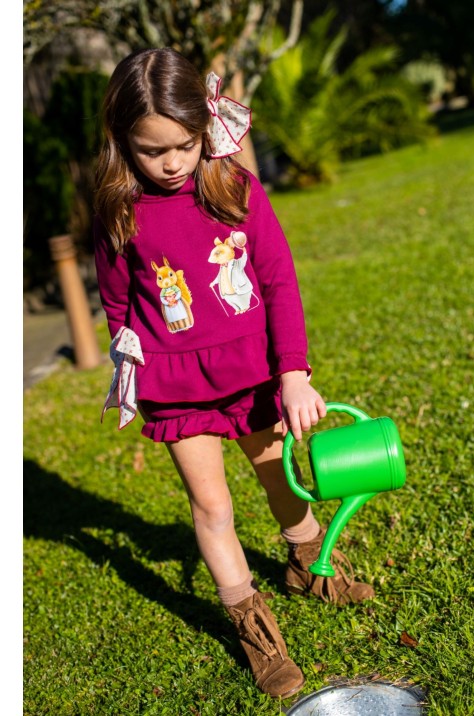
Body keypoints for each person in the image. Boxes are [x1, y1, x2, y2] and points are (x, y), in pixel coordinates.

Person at [93, 48, 374, 699]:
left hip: (250, 376)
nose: (169, 163)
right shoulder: (120, 209)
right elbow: (116, 300)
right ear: (123, 142)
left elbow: (277, 279)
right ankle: (254, 630)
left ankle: (310, 566)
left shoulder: (235, 189)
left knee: (281, 480)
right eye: (150, 149)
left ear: (203, 130)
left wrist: (293, 373)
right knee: (212, 506)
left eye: (182, 146)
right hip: (174, 387)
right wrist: (128, 361)